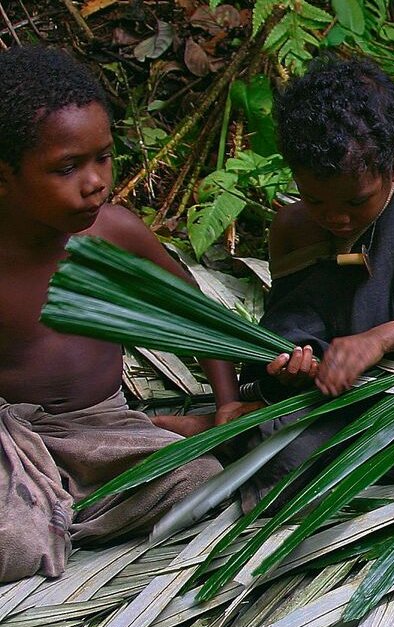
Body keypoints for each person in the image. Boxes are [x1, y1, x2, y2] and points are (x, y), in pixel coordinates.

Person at [200, 57, 394, 511]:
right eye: (315, 198)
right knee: (285, 443)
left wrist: (382, 338)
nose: (336, 217)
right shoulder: (294, 227)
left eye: (356, 201)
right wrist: (292, 361)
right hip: (338, 408)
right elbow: (288, 325)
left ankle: (231, 436)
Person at [0, 46, 247, 583]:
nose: (95, 182)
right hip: (12, 437)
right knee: (12, 542)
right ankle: (48, 517)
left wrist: (227, 403)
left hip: (103, 429)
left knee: (199, 477)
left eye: (103, 158)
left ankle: (58, 517)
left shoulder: (112, 233)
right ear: (4, 176)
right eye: (67, 167)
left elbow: (198, 317)